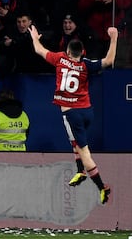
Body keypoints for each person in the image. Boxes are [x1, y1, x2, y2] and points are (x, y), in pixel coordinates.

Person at [28, 24, 118, 204]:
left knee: (84, 151)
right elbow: (108, 61)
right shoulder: (86, 64)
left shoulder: (60, 59)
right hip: (87, 112)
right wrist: (114, 37)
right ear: (82, 52)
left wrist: (35, 38)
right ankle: (80, 171)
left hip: (71, 113)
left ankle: (101, 187)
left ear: (67, 51)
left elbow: (39, 50)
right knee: (75, 140)